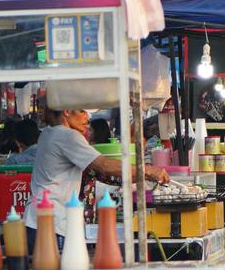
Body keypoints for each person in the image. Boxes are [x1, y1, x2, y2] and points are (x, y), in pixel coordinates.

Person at [25, 107, 169, 250]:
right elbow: (104, 166)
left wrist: (143, 175)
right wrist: (148, 170)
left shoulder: (48, 134)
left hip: (36, 220)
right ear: (67, 111)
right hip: (53, 223)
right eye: (82, 111)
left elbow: (100, 173)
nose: (87, 118)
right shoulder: (67, 136)